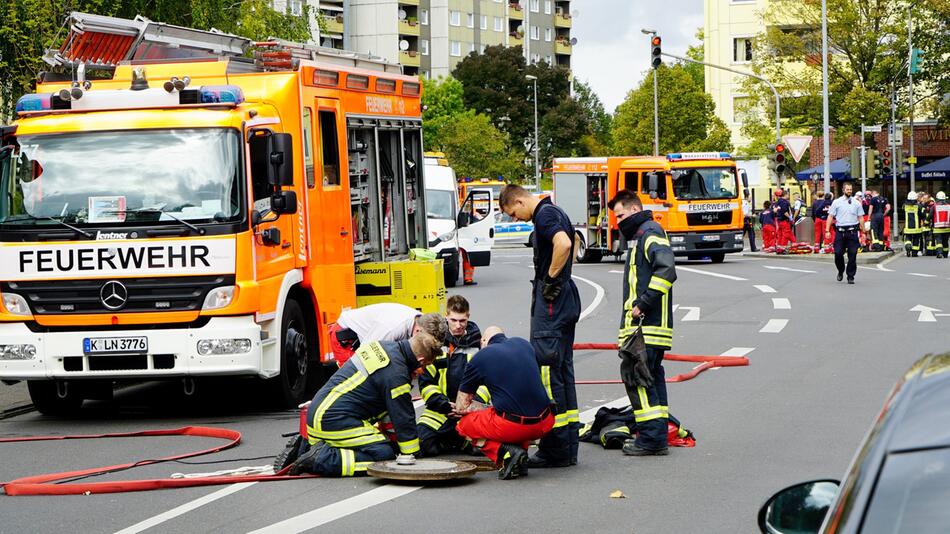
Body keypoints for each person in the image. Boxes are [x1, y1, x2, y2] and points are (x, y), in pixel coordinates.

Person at [284, 319, 448, 477]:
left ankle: (305, 447)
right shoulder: (397, 375)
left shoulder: (384, 346)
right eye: (425, 366)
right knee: (384, 455)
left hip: (320, 414)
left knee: (382, 445)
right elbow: (403, 418)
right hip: (333, 420)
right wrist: (412, 454)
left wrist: (395, 442)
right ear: (420, 360)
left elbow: (388, 411)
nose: (422, 371)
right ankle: (320, 459)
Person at [499, 184, 580, 468]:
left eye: (513, 213)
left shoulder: (545, 216)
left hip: (552, 305)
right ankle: (567, 444)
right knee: (562, 370)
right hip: (563, 302)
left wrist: (550, 278)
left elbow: (565, 244)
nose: (515, 219)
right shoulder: (555, 212)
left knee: (547, 373)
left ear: (520, 200)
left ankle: (555, 447)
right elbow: (575, 240)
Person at [608, 189, 677, 456]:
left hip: (646, 326)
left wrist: (643, 303)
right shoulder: (642, 235)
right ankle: (656, 435)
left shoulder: (649, 233)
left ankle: (650, 440)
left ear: (635, 210)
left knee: (638, 377)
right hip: (648, 327)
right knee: (651, 378)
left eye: (621, 215)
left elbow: (667, 269)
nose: (618, 222)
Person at [453, 327, 556, 480]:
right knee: (515, 410)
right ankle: (520, 460)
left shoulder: (481, 357)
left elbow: (461, 406)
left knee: (463, 425)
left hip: (514, 427)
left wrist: (484, 409)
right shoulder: (524, 344)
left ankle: (506, 453)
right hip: (545, 422)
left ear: (483, 341)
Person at [417, 295, 487, 456]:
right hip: (440, 410)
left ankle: (458, 439)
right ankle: (457, 440)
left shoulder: (479, 345)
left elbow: (487, 382)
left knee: (481, 449)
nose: (458, 326)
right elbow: (426, 384)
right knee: (422, 445)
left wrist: (472, 403)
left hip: (470, 410)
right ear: (446, 316)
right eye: (453, 320)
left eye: (462, 321)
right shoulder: (435, 344)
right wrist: (444, 405)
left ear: (468, 317)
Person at [327, 303, 441, 367]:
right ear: (418, 332)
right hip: (347, 341)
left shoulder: (421, 320)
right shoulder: (391, 329)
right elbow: (365, 355)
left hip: (364, 338)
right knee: (356, 378)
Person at [825, 182, 867, 284]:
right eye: (847, 189)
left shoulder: (856, 203)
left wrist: (864, 232)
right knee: (838, 253)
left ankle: (850, 276)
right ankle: (840, 270)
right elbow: (830, 216)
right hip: (840, 232)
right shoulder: (836, 202)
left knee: (852, 255)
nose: (849, 191)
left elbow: (861, 217)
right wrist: (827, 230)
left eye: (850, 189)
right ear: (843, 190)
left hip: (852, 232)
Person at [903, 191, 922, 256]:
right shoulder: (918, 206)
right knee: (916, 240)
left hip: (908, 227)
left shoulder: (904, 206)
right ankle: (914, 253)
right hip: (916, 228)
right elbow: (921, 215)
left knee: (908, 238)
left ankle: (908, 248)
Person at [932, 191, 949, 259]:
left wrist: (926, 221)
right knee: (945, 241)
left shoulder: (934, 206)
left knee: (939, 241)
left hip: (937, 228)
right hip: (947, 228)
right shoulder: (949, 206)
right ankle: (945, 254)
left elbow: (930, 215)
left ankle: (939, 253)